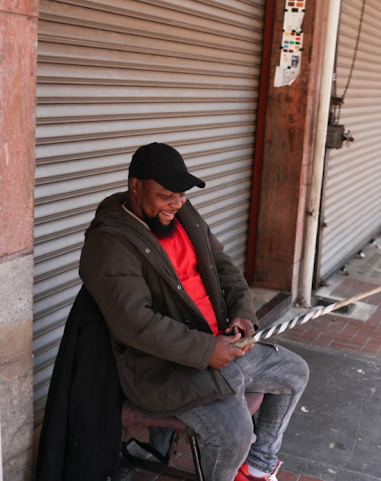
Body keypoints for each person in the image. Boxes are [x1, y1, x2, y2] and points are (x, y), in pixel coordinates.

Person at [78, 142, 309, 481]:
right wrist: (206, 351)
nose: (177, 203)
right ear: (136, 186)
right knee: (234, 436)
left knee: (294, 373)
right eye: (166, 195)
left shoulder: (185, 215)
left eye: (182, 195)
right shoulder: (110, 241)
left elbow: (224, 267)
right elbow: (134, 323)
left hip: (222, 347)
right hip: (167, 369)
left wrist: (243, 313)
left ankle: (258, 467)